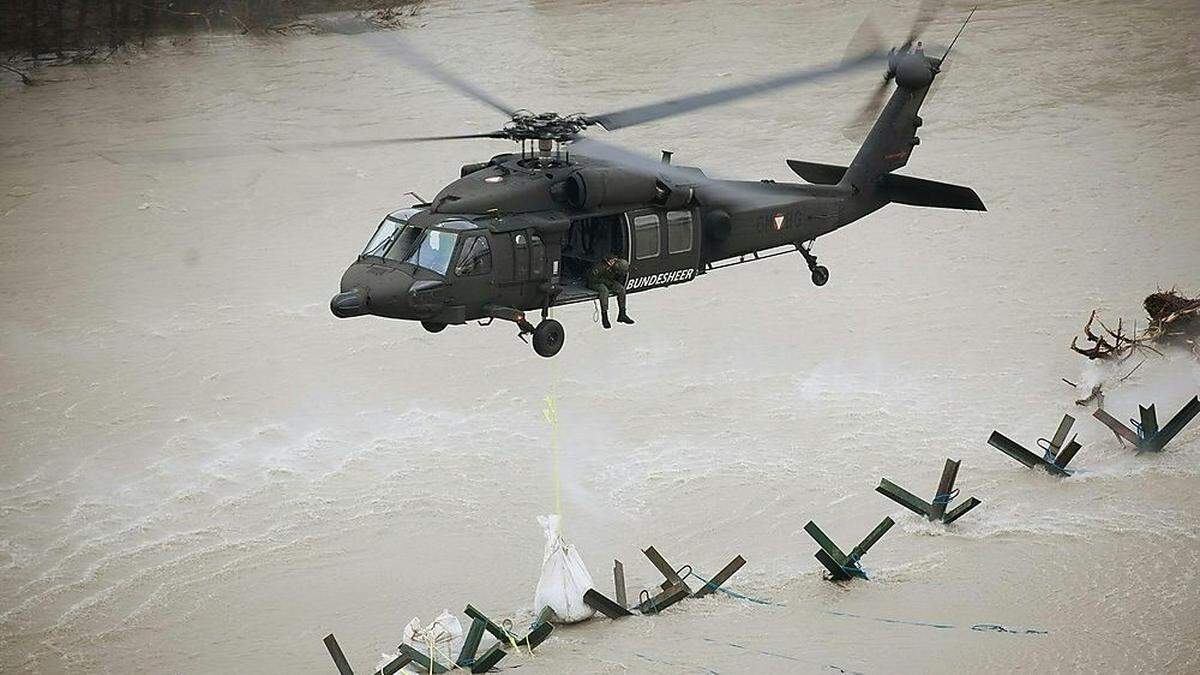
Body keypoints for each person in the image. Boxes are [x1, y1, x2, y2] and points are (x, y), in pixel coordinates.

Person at [587, 254, 634, 329]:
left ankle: (622, 314)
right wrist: (606, 282)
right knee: (604, 291)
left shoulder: (616, 264)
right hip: (595, 282)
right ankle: (605, 316)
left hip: (608, 281)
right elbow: (591, 278)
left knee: (621, 289)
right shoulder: (600, 267)